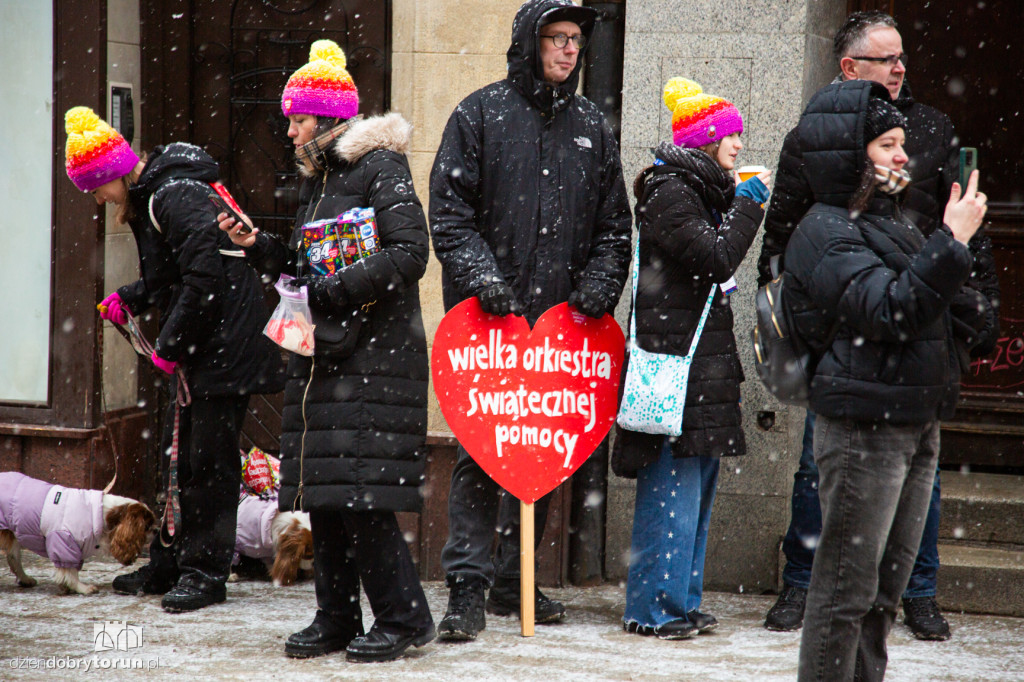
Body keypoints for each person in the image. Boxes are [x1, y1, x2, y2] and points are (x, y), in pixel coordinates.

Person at [758, 10, 1001, 641]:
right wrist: (795, 311)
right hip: (849, 330)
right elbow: (784, 230)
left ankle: (918, 590)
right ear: (850, 66)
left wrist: (978, 310)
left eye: (901, 58)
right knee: (818, 467)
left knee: (922, 476)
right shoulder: (816, 135)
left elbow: (965, 227)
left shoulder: (930, 127)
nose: (899, 68)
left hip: (921, 322)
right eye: (885, 58)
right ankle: (801, 581)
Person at [219, 40, 435, 662]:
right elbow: (305, 268)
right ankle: (336, 618)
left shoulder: (380, 167)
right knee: (327, 497)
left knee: (361, 498)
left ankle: (403, 619)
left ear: (328, 119)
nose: (289, 131)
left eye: (298, 119)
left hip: (372, 362)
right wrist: (259, 246)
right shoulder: (323, 180)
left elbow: (409, 254)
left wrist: (330, 291)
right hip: (324, 360)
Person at [428, 0, 631, 640]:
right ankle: (466, 586)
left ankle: (514, 581)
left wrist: (598, 286)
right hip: (490, 326)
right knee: (480, 451)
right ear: (528, 42)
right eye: (556, 37)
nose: (569, 49)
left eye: (576, 39)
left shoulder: (592, 125)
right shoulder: (480, 114)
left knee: (539, 451)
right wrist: (484, 281)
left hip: (560, 329)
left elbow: (614, 227)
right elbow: (449, 213)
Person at [63, 107, 284, 612]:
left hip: (225, 349)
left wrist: (169, 346)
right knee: (178, 458)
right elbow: (173, 277)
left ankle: (205, 574)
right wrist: (132, 297)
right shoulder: (155, 195)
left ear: (116, 172)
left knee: (207, 464)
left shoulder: (172, 195)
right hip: (207, 345)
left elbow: (204, 280)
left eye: (96, 187)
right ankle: (170, 565)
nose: (96, 199)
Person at [610, 78, 770, 639]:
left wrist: (735, 199)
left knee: (694, 495)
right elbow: (719, 258)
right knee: (671, 494)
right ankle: (654, 608)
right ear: (706, 139)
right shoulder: (671, 193)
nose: (739, 145)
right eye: (731, 135)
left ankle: (682, 601)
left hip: (698, 368)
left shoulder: (699, 190)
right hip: (676, 368)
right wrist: (749, 204)